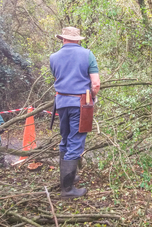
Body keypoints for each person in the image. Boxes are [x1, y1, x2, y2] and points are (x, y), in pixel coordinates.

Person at [50, 27, 100, 198]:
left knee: (65, 140)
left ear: (63, 39)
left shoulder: (53, 58)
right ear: (78, 39)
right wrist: (93, 98)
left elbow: (57, 79)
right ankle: (68, 190)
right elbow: (96, 84)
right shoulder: (87, 55)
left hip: (61, 103)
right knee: (76, 142)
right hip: (80, 103)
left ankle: (67, 180)